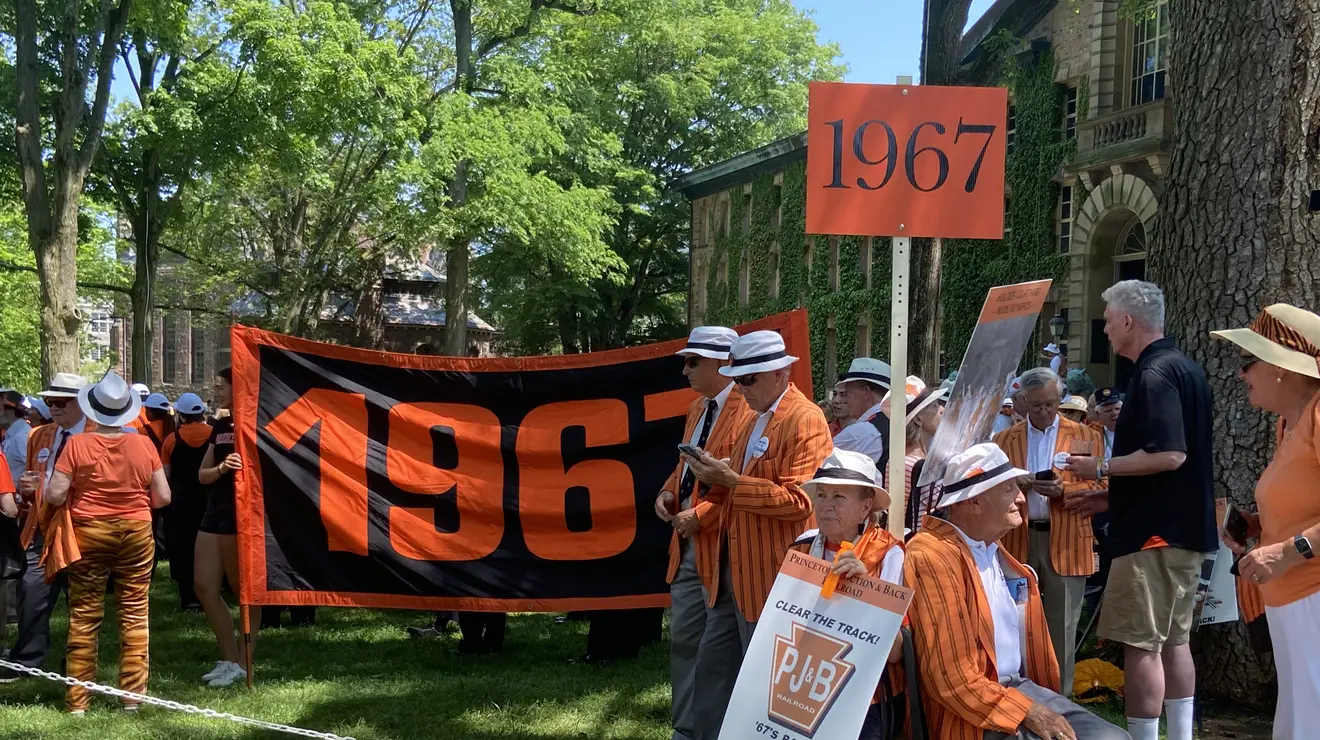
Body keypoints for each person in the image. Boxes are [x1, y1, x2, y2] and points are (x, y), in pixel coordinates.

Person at [1066, 280, 1214, 740]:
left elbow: (1170, 455)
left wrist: (1099, 468)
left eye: (1109, 321)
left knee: (1141, 645)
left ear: (1128, 321)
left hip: (1152, 538)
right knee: (1175, 641)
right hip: (1181, 531)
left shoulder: (1153, 375)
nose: (1106, 330)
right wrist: (1113, 497)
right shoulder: (1186, 370)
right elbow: (1175, 470)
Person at [905, 442, 1129, 740]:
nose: (1021, 499)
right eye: (1009, 489)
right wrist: (1028, 711)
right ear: (974, 502)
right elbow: (950, 678)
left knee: (1115, 738)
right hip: (971, 711)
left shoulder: (990, 548)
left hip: (1014, 689)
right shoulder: (932, 555)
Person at [1210, 303, 1320, 739]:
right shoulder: (1288, 422)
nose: (1241, 374)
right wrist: (1255, 525)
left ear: (1282, 367)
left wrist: (1290, 552)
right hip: (1291, 602)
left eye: (1247, 361)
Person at [686, 330, 829, 650]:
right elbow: (732, 485)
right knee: (712, 672)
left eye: (748, 379)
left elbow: (802, 502)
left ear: (781, 373)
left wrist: (732, 481)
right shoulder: (754, 418)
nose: (740, 388)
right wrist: (710, 474)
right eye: (737, 380)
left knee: (764, 684)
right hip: (732, 574)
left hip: (775, 578)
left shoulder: (805, 419)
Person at [45, 371, 171, 714]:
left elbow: (55, 494)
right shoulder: (144, 444)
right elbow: (162, 497)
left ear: (93, 409)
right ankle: (132, 699)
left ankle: (78, 703)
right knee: (134, 613)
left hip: (89, 531)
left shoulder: (77, 445)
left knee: (84, 616)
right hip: (136, 532)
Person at [654, 326, 752, 740]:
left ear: (722, 363)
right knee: (685, 640)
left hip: (724, 549)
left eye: (693, 362)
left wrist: (701, 516)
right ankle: (686, 729)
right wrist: (665, 492)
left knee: (717, 652)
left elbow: (739, 480)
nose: (685, 370)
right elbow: (685, 467)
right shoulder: (698, 408)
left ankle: (713, 729)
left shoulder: (749, 409)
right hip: (689, 543)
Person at [994, 367, 1106, 697]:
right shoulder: (1004, 439)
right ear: (1023, 401)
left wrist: (1064, 492)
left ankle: (1062, 699)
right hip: (1018, 538)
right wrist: (1020, 481)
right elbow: (993, 485)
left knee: (1063, 624)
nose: (1044, 411)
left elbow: (1101, 486)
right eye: (1037, 405)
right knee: (1015, 621)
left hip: (1068, 539)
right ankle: (1019, 695)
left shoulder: (1085, 435)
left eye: (1051, 404)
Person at [789, 450, 906, 740]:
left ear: (866, 508)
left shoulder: (889, 555)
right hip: (804, 688)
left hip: (866, 700)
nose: (826, 506)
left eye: (839, 497)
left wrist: (866, 591)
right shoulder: (801, 549)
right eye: (822, 495)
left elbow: (897, 652)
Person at [0, 373, 85, 684]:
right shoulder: (41, 434)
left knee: (81, 596)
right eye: (50, 401)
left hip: (80, 528)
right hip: (41, 526)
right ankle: (27, 660)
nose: (53, 406)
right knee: (30, 587)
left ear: (81, 404)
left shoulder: (94, 433)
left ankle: (77, 663)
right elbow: (34, 476)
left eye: (60, 401)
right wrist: (25, 487)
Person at [194, 367, 257, 687]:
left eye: (221, 386)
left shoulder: (255, 423)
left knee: (243, 591)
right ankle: (230, 658)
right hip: (213, 513)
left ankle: (245, 662)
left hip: (241, 516)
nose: (216, 391)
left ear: (238, 388)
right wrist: (221, 467)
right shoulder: (219, 424)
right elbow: (202, 475)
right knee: (204, 587)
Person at [161, 393, 212, 612]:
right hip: (209, 500)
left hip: (181, 502)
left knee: (183, 550)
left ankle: (189, 599)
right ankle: (212, 594)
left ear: (181, 415)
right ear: (202, 412)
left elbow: (166, 473)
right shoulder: (214, 435)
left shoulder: (172, 440)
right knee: (210, 550)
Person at [831, 358, 894, 464]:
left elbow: (820, 458)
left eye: (847, 394)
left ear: (865, 392)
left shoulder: (861, 432)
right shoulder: (898, 422)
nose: (845, 400)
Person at [1, 390, 31, 489]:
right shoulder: (12, 434)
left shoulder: (22, 436)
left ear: (10, 412)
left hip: (18, 499)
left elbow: (34, 469)